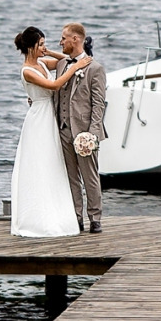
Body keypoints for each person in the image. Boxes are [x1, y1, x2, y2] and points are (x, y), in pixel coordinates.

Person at [10, 27, 90, 238]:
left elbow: (65, 60)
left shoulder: (42, 63)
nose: (45, 48)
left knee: (53, 163)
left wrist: (49, 53)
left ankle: (58, 211)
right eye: (41, 45)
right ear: (30, 47)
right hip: (39, 118)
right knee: (40, 162)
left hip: (50, 116)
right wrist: (78, 66)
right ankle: (37, 217)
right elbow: (54, 85)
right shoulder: (28, 70)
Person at [53, 22, 107, 233]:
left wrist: (92, 135)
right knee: (71, 177)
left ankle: (95, 218)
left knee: (90, 176)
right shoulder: (61, 65)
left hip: (84, 131)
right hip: (63, 128)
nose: (61, 42)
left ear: (75, 39)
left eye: (64, 38)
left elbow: (98, 104)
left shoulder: (95, 69)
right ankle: (76, 218)